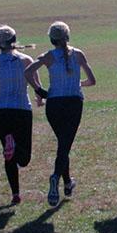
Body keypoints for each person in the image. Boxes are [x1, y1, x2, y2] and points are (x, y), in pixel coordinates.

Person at [25, 21, 96, 206]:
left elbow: (28, 72)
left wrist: (40, 91)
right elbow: (92, 80)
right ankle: (56, 177)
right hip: (73, 103)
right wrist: (77, 83)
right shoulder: (78, 54)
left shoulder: (48, 56)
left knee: (63, 145)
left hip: (54, 104)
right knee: (64, 145)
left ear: (51, 39)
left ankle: (67, 183)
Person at [0, 26, 41, 205]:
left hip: (1, 111)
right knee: (24, 158)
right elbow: (37, 87)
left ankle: (15, 194)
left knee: (8, 156)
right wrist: (40, 100)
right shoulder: (26, 60)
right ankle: (14, 147)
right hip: (22, 109)